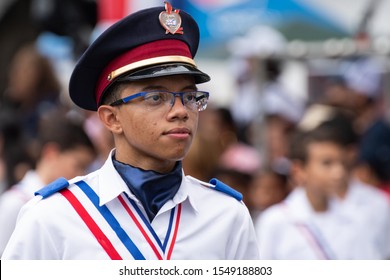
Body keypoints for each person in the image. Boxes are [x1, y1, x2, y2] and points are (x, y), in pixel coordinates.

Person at [2, 2, 259, 260]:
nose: (181, 110)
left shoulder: (227, 216)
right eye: (156, 97)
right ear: (111, 118)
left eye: (190, 96)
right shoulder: (54, 216)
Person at [255, 125, 359, 259]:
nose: (338, 173)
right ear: (299, 171)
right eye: (327, 163)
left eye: (342, 163)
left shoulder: (353, 217)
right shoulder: (274, 222)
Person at [0, 111, 96, 255]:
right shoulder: (15, 202)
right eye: (78, 165)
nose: (82, 174)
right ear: (51, 153)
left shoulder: (70, 200)